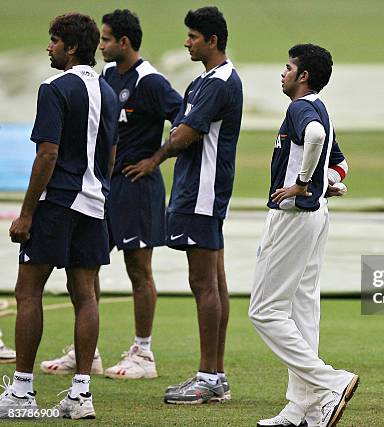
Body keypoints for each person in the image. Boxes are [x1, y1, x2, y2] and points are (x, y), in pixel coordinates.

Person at [40, 9, 182, 381]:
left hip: (138, 188)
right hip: (105, 188)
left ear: (124, 42)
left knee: (139, 270)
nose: (100, 46)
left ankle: (144, 352)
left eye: (105, 40)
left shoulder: (150, 80)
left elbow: (185, 118)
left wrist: (155, 159)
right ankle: (89, 351)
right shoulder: (105, 78)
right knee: (87, 266)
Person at [1, 12, 119, 419]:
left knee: (27, 291)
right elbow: (111, 154)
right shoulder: (108, 90)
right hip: (94, 202)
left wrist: (26, 214)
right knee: (85, 295)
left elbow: (47, 153)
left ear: (70, 47)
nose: (48, 47)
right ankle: (81, 394)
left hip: (56, 204)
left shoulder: (54, 87)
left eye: (53, 41)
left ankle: (21, 393)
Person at [123, 6, 240, 404]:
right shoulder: (205, 81)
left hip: (201, 192)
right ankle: (215, 376)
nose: (187, 43)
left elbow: (185, 133)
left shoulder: (218, 83)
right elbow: (182, 127)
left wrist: (155, 157)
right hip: (201, 191)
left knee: (204, 283)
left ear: (212, 40)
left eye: (193, 37)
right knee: (215, 283)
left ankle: (209, 376)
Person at [248, 44, 358, 427]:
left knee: (263, 311)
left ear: (303, 76)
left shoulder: (301, 109)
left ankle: (331, 382)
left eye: (289, 67)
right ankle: (303, 407)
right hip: (316, 217)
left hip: (293, 217)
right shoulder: (322, 109)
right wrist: (326, 182)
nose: (283, 72)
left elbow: (312, 138)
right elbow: (341, 164)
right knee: (302, 309)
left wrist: (302, 184)